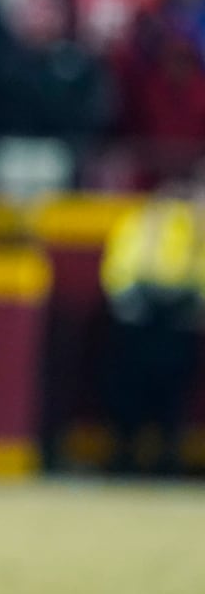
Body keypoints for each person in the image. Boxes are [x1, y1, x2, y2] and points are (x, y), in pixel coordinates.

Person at [99, 179, 205, 475]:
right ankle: (131, 453)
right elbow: (119, 268)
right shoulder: (142, 222)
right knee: (137, 390)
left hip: (171, 317)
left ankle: (158, 456)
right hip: (145, 316)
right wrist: (129, 300)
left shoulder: (189, 227)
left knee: (168, 392)